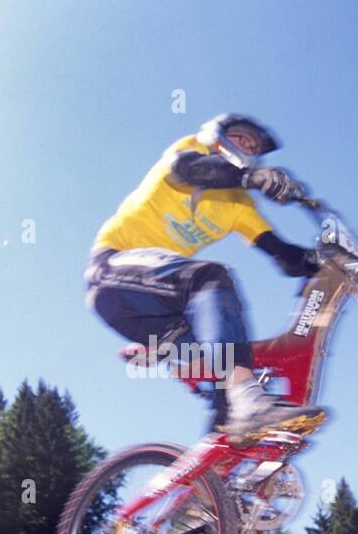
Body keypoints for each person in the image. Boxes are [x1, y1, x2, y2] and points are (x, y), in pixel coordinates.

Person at [85, 113, 326, 436]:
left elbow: (280, 253)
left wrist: (319, 260)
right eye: (241, 137)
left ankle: (217, 470)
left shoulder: (238, 206)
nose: (247, 147)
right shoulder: (191, 149)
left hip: (165, 312)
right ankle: (248, 398)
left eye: (253, 147)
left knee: (229, 360)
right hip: (113, 273)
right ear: (218, 134)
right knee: (211, 277)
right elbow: (188, 169)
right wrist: (253, 179)